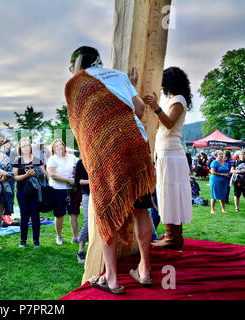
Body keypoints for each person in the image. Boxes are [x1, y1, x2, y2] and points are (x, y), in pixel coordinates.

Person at [66, 46, 155, 294]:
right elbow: (138, 109)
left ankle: (112, 279)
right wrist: (128, 86)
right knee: (141, 209)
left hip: (106, 154)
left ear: (76, 64)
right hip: (136, 143)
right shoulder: (119, 76)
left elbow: (79, 125)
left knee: (107, 210)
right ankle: (145, 271)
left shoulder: (75, 84)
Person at [143, 66, 193, 250]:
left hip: (172, 154)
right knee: (168, 194)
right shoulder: (171, 100)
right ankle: (172, 235)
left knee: (171, 194)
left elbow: (170, 124)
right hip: (165, 154)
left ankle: (173, 237)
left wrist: (156, 107)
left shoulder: (178, 100)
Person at [13, 138, 46, 249]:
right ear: (20, 148)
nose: (26, 148)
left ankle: (36, 241)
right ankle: (23, 241)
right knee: (24, 216)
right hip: (22, 192)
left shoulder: (36, 159)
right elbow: (15, 177)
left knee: (35, 216)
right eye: (23, 146)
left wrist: (35, 173)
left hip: (35, 192)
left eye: (27, 145)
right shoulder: (17, 161)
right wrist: (26, 176)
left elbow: (45, 174)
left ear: (30, 147)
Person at [47, 138, 79, 245]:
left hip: (72, 190)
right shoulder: (52, 159)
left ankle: (76, 237)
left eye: (61, 145)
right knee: (59, 214)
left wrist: (75, 179)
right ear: (53, 149)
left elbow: (79, 168)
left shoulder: (72, 157)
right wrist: (68, 180)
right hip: (57, 190)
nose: (59, 147)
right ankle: (59, 236)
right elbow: (53, 175)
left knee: (74, 213)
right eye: (56, 146)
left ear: (64, 146)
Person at [74, 159, 90, 263]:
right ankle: (80, 251)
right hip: (87, 194)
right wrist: (90, 181)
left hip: (102, 195)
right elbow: (77, 181)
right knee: (87, 221)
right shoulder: (81, 162)